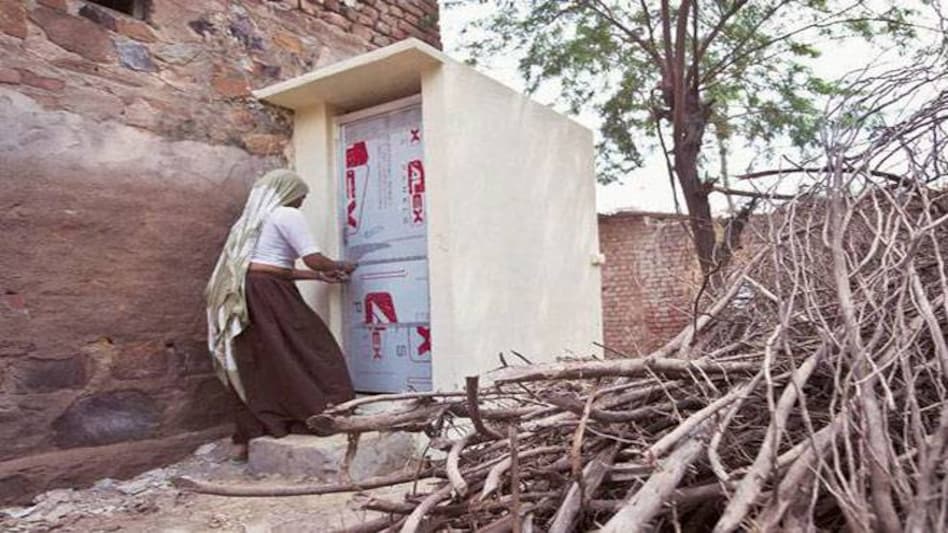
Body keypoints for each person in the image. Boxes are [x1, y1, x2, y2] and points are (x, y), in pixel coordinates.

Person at [206, 168, 357, 460]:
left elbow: (263, 265)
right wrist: (339, 265)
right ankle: (324, 411)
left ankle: (263, 425)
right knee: (312, 346)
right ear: (290, 193)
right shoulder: (287, 215)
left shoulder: (250, 223)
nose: (302, 201)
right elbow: (314, 260)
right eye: (302, 195)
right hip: (269, 292)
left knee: (267, 357)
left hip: (248, 291)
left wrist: (317, 279)